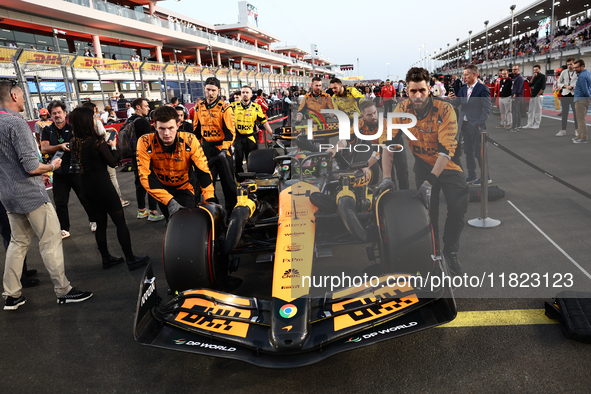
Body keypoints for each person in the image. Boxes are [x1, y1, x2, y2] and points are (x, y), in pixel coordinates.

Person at [0, 81, 92, 310]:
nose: (24, 99)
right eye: (22, 95)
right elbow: (32, 166)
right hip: (30, 195)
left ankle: (11, 294)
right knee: (50, 240)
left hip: (8, 195)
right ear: (13, 95)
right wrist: (52, 167)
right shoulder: (16, 123)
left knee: (17, 242)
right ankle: (63, 290)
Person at [377, 67, 468, 275]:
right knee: (428, 213)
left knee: (457, 208)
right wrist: (387, 178)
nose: (418, 96)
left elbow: (446, 151)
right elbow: (388, 144)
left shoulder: (445, 110)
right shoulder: (401, 109)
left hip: (448, 165)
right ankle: (433, 254)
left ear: (430, 90)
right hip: (423, 164)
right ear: (406, 92)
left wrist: (430, 182)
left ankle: (450, 251)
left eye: (422, 91)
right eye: (413, 91)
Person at [70, 107, 149, 270]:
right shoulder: (96, 141)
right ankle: (130, 258)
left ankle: (106, 258)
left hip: (86, 185)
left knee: (100, 223)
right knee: (120, 221)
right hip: (102, 184)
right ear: (86, 121)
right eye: (92, 118)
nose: (94, 120)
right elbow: (113, 162)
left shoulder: (74, 142)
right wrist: (113, 146)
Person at [138, 106, 215, 219]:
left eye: (171, 128)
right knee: (170, 223)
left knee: (186, 223)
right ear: (155, 126)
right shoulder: (144, 142)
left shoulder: (190, 139)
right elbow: (145, 176)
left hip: (185, 187)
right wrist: (169, 201)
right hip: (161, 189)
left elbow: (203, 171)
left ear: (178, 125)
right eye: (162, 129)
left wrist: (210, 199)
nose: (166, 133)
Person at [41, 100, 95, 238]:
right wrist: (60, 146)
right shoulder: (47, 130)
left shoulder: (73, 128)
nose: (57, 115)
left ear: (65, 113)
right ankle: (64, 228)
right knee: (60, 202)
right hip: (58, 171)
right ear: (50, 115)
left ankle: (93, 220)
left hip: (75, 169)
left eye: (59, 112)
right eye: (54, 113)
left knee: (85, 197)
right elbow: (44, 148)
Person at [192, 77, 237, 213]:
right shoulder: (199, 107)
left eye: (213, 90)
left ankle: (232, 212)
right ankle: (215, 211)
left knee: (228, 184)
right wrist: (196, 149)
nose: (210, 93)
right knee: (206, 183)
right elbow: (196, 131)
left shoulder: (225, 108)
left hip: (222, 150)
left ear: (218, 91)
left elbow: (230, 133)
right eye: (208, 90)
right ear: (204, 89)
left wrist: (224, 150)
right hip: (206, 149)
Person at [81, 101, 129, 209]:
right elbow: (103, 138)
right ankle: (118, 199)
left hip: (90, 159)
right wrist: (112, 145)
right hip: (102, 151)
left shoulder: (79, 125)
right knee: (111, 176)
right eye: (94, 111)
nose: (96, 112)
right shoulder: (95, 122)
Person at [449, 65, 492, 185]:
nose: (464, 77)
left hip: (476, 126)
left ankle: (486, 177)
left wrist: (479, 124)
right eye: (464, 75)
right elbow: (456, 103)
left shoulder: (483, 89)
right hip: (464, 125)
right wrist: (446, 102)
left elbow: (487, 108)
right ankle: (472, 175)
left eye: (467, 74)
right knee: (468, 152)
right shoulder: (463, 90)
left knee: (479, 153)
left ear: (474, 74)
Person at [127, 98, 165, 221]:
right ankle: (153, 212)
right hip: (145, 156)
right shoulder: (143, 122)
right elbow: (148, 143)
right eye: (146, 106)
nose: (148, 108)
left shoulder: (129, 120)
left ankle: (142, 210)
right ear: (138, 107)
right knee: (151, 182)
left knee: (139, 183)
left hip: (134, 156)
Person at [231, 85, 273, 177]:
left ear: (251, 95)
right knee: (238, 161)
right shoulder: (233, 106)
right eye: (243, 92)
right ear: (241, 94)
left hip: (251, 138)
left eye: (247, 92)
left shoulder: (256, 107)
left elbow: (264, 121)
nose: (245, 94)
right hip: (238, 138)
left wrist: (272, 133)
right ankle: (239, 182)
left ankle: (253, 180)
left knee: (253, 161)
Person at [556, 58, 578, 137]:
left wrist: (573, 87)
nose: (569, 66)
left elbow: (579, 83)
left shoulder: (577, 72)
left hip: (574, 95)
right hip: (565, 94)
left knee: (576, 114)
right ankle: (563, 130)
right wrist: (565, 86)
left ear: (574, 64)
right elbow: (559, 83)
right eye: (568, 64)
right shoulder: (564, 72)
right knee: (564, 113)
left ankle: (577, 130)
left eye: (571, 64)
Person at [523, 65, 546, 129]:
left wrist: (538, 94)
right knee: (530, 110)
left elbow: (543, 87)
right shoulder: (534, 77)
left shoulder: (543, 76)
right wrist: (533, 77)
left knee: (537, 110)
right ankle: (529, 123)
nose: (535, 71)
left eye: (536, 69)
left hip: (538, 96)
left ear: (539, 69)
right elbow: (530, 84)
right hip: (532, 95)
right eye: (534, 70)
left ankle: (537, 123)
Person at [573, 59, 591, 144]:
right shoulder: (588, 73)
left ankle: (583, 138)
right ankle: (579, 136)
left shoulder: (582, 76)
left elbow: (585, 89)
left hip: (581, 99)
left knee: (580, 119)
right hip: (584, 99)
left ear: (582, 66)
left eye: (576, 67)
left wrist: (589, 96)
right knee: (580, 119)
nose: (575, 69)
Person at [509, 65, 524, 132]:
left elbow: (518, 88)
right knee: (516, 111)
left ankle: (514, 127)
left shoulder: (519, 78)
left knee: (515, 112)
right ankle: (517, 126)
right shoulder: (516, 77)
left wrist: (514, 96)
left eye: (515, 69)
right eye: (513, 69)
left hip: (517, 97)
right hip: (516, 96)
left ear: (518, 70)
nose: (513, 70)